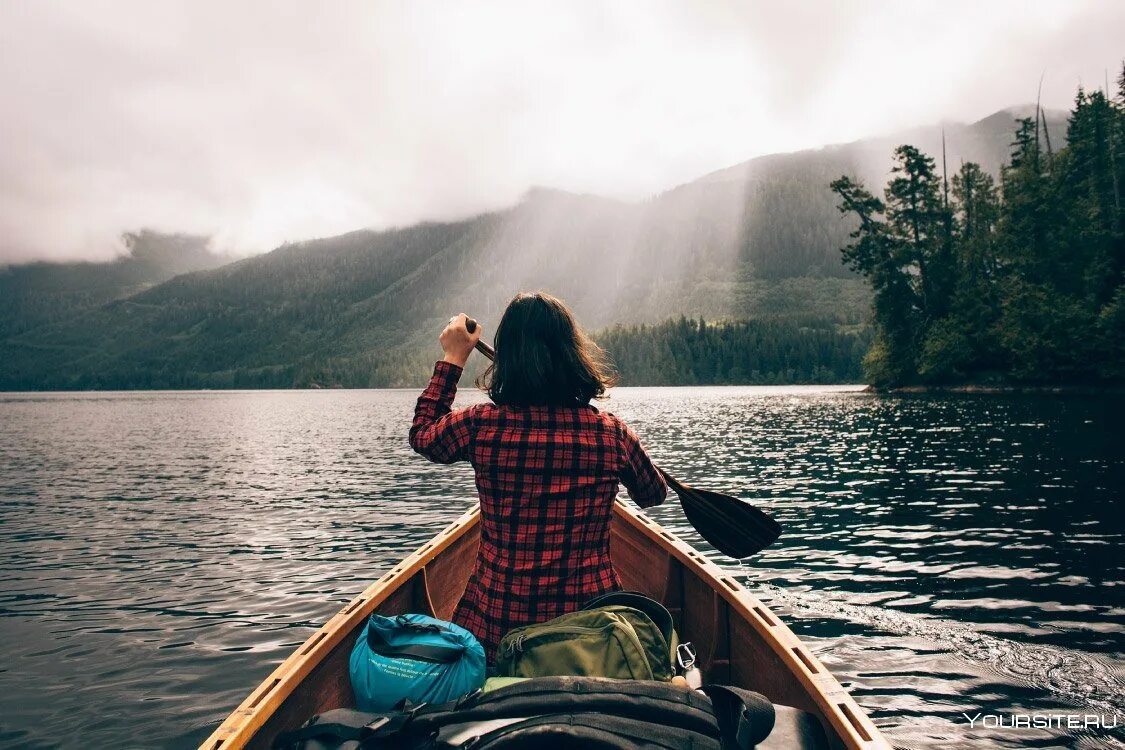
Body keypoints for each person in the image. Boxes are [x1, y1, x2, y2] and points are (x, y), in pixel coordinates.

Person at [409, 292, 667, 660]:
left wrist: (453, 358)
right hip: (591, 635)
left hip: (495, 630)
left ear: (507, 358)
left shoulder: (481, 425)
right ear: (572, 354)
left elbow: (423, 434)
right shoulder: (611, 433)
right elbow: (653, 494)